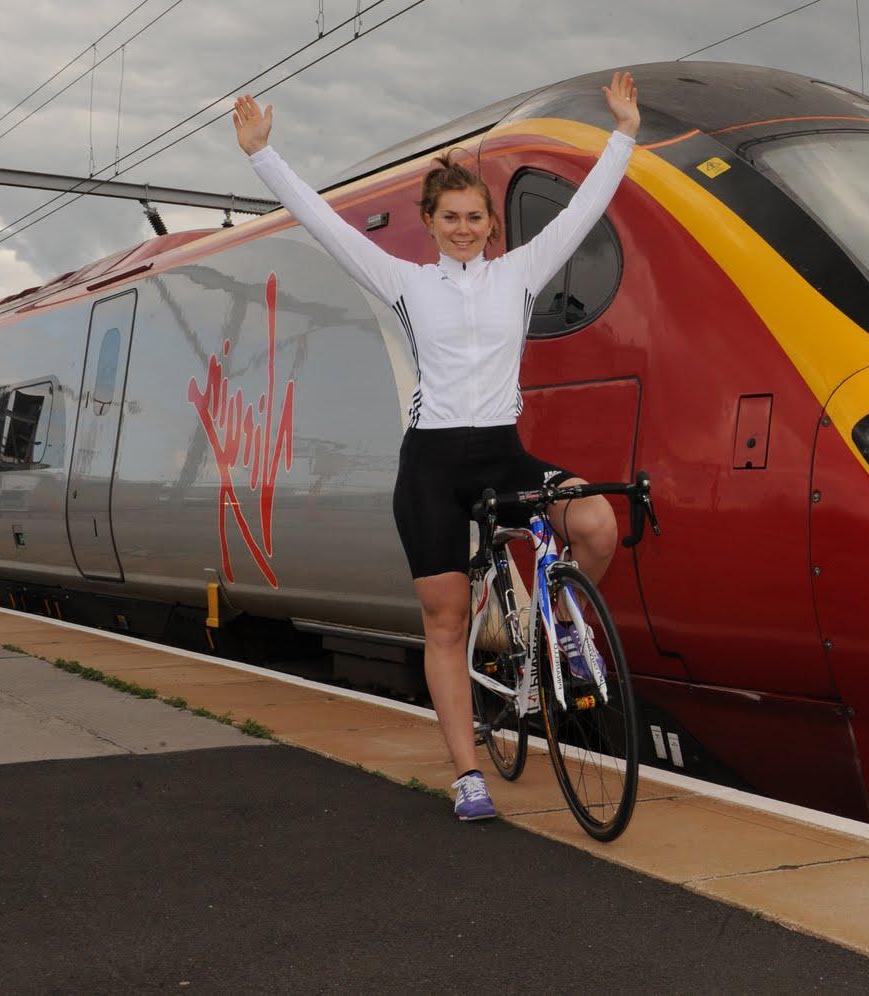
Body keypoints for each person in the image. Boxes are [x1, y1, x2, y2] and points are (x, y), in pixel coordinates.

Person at [232, 72, 640, 821]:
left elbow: (584, 213)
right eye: (449, 217)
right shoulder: (404, 281)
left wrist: (622, 135)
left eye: (475, 217)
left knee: (596, 523)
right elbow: (325, 224)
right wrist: (264, 157)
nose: (463, 228)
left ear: (492, 224)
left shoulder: (519, 273)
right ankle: (468, 773)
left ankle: (569, 635)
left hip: (502, 450)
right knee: (447, 620)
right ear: (431, 221)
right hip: (432, 465)